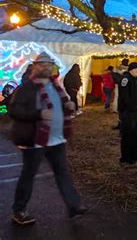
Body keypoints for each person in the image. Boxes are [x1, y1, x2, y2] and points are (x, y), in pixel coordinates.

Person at [8, 52, 86, 225]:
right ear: (34, 67)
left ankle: (74, 206)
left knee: (62, 174)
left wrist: (69, 106)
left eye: (49, 64)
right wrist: (39, 113)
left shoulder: (56, 87)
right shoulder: (26, 88)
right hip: (35, 140)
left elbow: (60, 107)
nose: (46, 67)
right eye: (42, 64)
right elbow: (14, 111)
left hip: (57, 140)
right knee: (28, 175)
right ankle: (19, 211)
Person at [118, 62, 137, 164]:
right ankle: (126, 157)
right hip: (129, 112)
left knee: (136, 134)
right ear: (130, 70)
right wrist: (132, 107)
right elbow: (125, 97)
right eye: (136, 70)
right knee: (128, 135)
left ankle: (134, 155)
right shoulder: (126, 79)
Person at [111, 59, 129, 130]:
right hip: (125, 86)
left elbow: (113, 76)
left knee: (117, 97)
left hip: (118, 85)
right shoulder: (129, 69)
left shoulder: (117, 68)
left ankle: (116, 109)